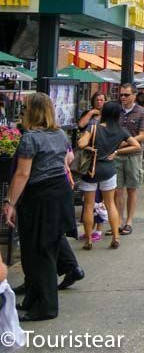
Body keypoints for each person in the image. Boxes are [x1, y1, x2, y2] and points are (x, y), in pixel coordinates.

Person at [3, 93, 81, 321]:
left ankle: (46, 306)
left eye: (25, 108)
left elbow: (22, 173)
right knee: (45, 249)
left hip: (40, 196)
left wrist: (9, 202)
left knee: (40, 253)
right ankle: (35, 299)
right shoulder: (59, 133)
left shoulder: (30, 138)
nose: (22, 111)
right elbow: (69, 160)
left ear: (32, 111)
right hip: (60, 192)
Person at [76, 101, 140, 250]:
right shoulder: (121, 131)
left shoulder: (93, 128)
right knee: (111, 204)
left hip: (91, 170)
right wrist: (117, 152)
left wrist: (90, 146)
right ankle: (116, 237)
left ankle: (89, 240)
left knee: (89, 205)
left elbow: (81, 144)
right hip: (109, 169)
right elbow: (136, 145)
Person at [115, 83, 144, 236]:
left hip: (133, 154)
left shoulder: (141, 112)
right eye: (121, 94)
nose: (123, 97)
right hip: (116, 154)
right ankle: (118, 221)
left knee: (132, 188)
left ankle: (129, 221)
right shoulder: (116, 111)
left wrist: (124, 141)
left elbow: (142, 135)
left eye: (126, 95)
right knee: (117, 189)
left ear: (134, 95)